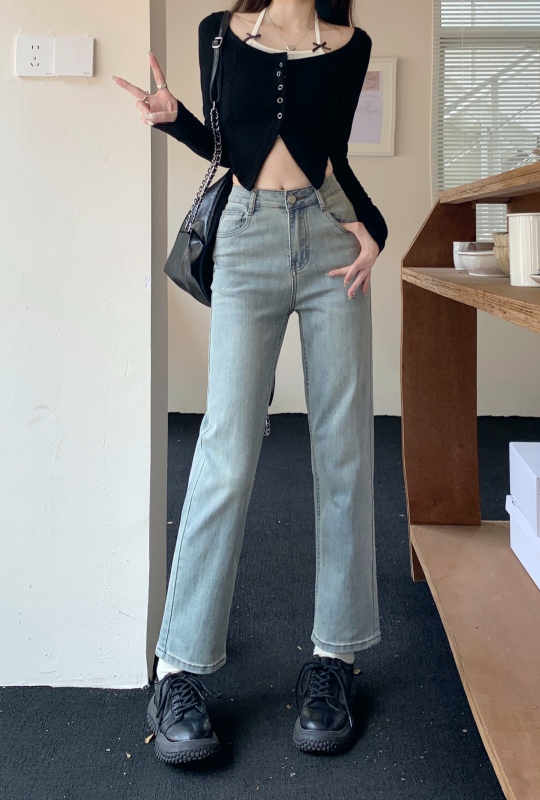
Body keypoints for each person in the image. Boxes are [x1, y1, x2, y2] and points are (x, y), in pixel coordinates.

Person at [113, 0, 387, 764]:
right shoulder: (220, 33)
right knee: (226, 450)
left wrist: (374, 229)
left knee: (343, 450)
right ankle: (178, 669)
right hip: (245, 237)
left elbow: (332, 157)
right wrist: (175, 118)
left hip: (332, 244)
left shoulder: (350, 44)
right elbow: (230, 145)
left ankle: (335, 659)